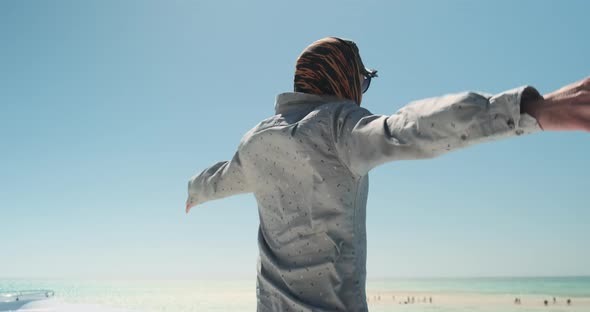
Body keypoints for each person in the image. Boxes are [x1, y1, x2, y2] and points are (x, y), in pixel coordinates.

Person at [185, 37, 590, 312]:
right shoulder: (338, 127)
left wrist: (192, 193)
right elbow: (409, 129)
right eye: (362, 79)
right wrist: (532, 109)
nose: (362, 89)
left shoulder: (255, 142)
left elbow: (215, 180)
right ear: (343, 76)